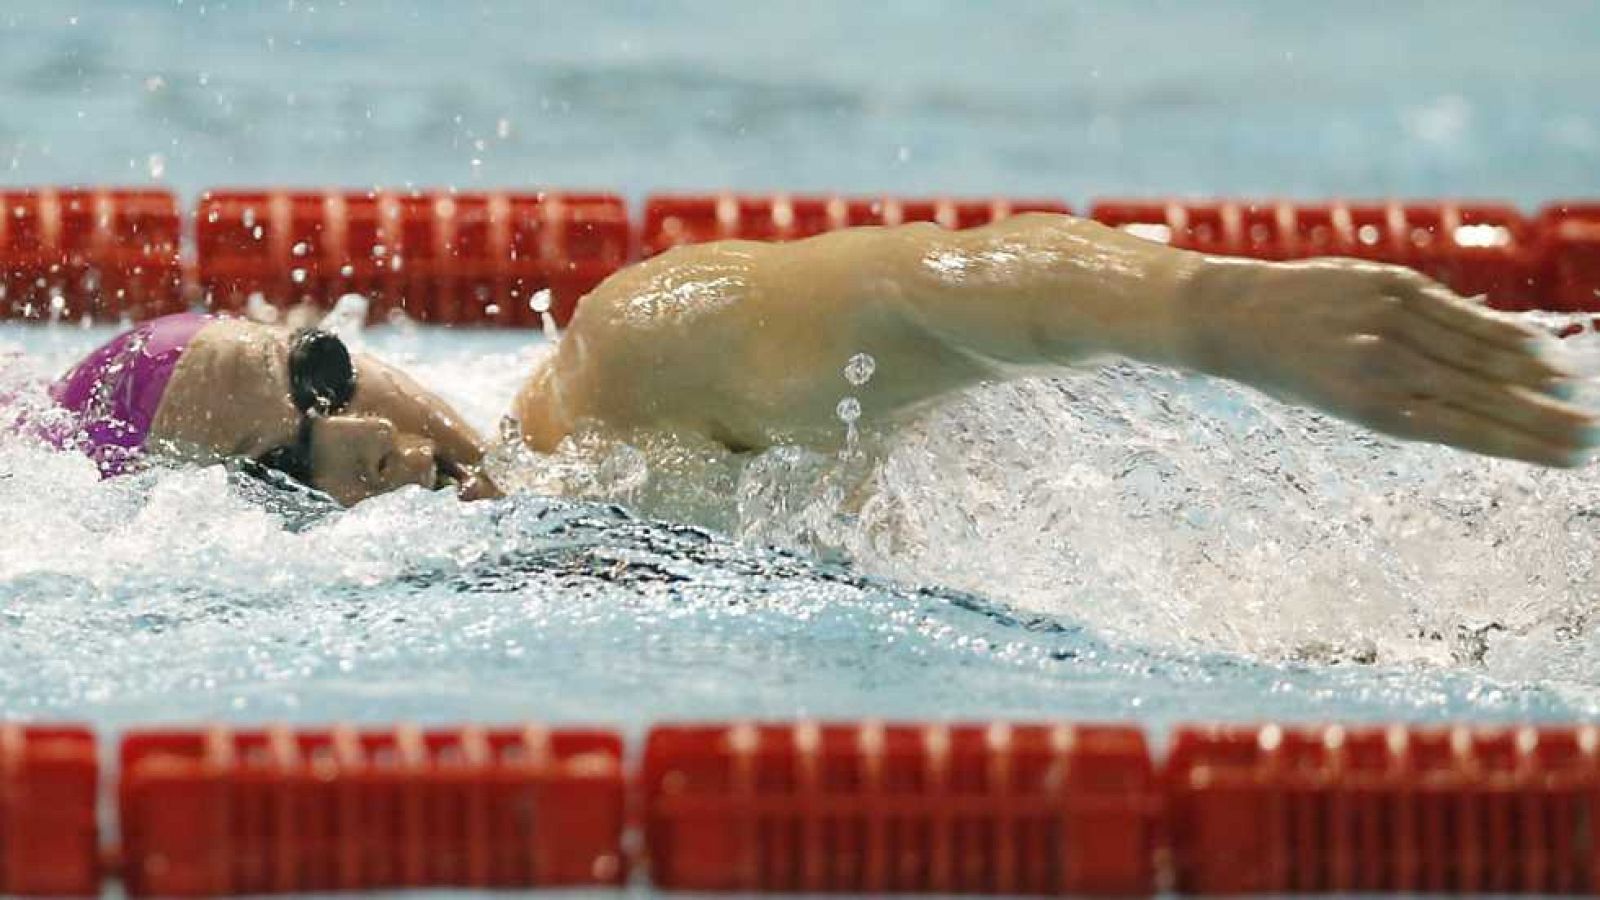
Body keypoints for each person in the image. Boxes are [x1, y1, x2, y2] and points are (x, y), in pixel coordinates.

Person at [22, 213, 1598, 504]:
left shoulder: (630, 380)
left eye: (316, 387)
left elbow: (912, 285)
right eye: (281, 481)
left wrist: (1209, 314)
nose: (354, 448)